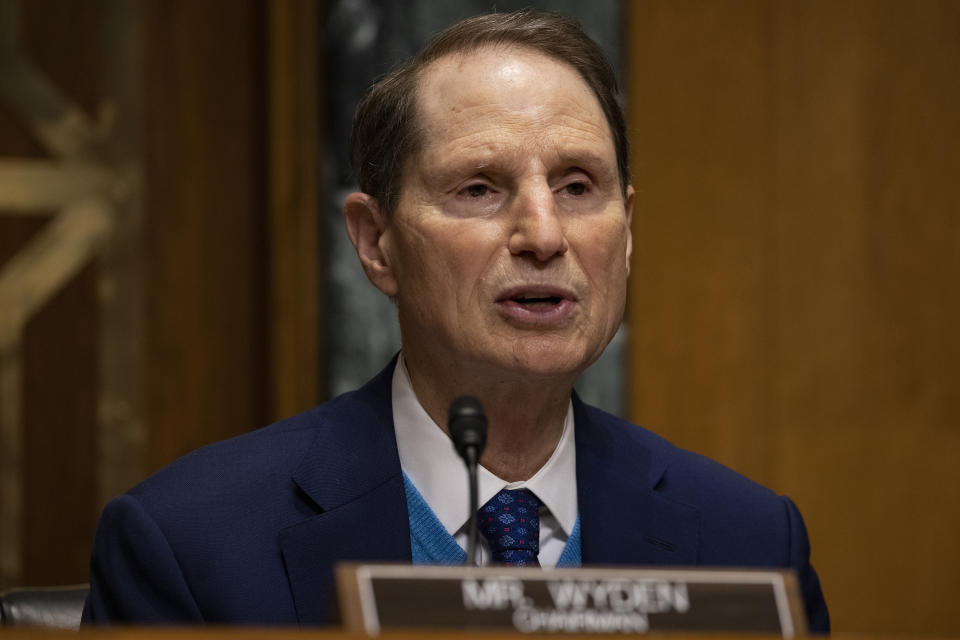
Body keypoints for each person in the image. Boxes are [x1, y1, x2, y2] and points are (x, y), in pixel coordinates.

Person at [83, 9, 829, 632]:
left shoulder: (749, 542)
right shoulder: (190, 543)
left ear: (626, 232)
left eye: (577, 186)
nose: (543, 235)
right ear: (377, 244)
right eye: (479, 188)